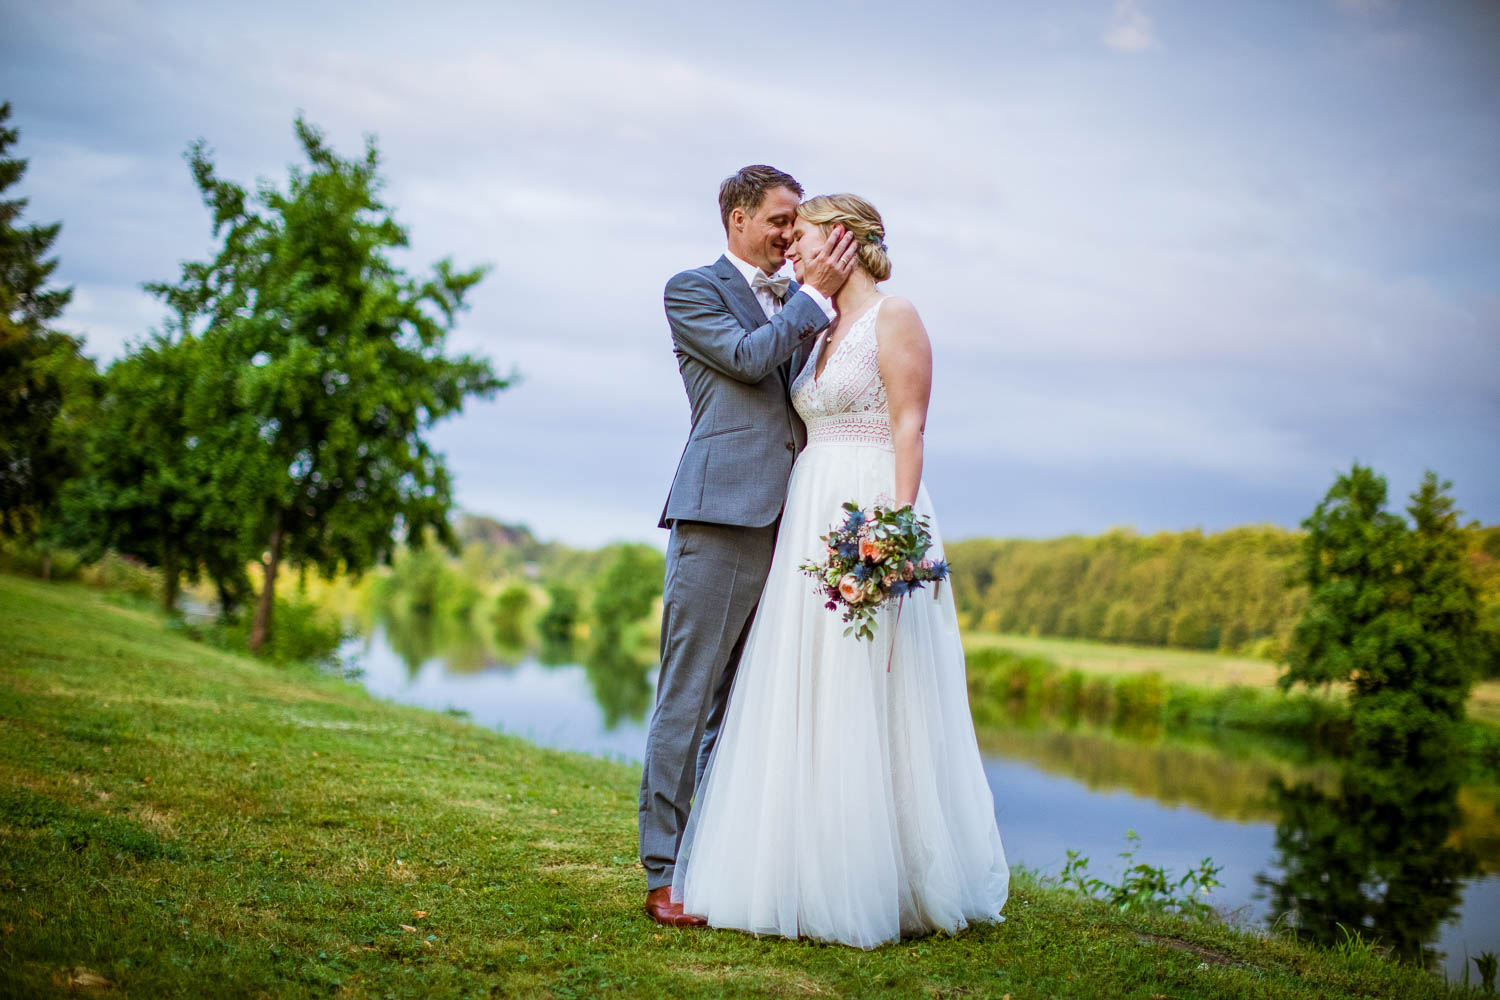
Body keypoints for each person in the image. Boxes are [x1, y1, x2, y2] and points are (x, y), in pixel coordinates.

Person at [669, 193, 1010, 947]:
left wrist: (894, 532)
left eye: (809, 233)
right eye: (787, 232)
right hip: (804, 514)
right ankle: (793, 869)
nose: (793, 246)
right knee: (803, 687)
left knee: (868, 687)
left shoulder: (897, 317)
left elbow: (910, 426)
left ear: (847, 242)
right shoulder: (812, 321)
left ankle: (879, 881)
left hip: (866, 510)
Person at [639, 165, 859, 927]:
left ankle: (713, 865)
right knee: (688, 698)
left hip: (795, 524)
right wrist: (815, 299)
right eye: (779, 219)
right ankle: (662, 873)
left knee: (743, 712)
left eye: (797, 222)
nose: (790, 234)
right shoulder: (691, 289)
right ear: (737, 218)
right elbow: (745, 358)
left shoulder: (808, 307)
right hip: (722, 516)